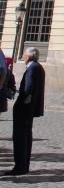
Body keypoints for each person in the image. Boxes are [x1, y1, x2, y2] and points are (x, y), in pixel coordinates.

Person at [4, 46, 45, 176]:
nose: (23, 56)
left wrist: (19, 103)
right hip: (29, 109)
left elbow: (28, 89)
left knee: (20, 137)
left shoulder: (33, 68)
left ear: (29, 56)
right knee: (26, 136)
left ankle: (20, 166)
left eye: (25, 54)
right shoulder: (38, 67)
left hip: (24, 109)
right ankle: (24, 165)